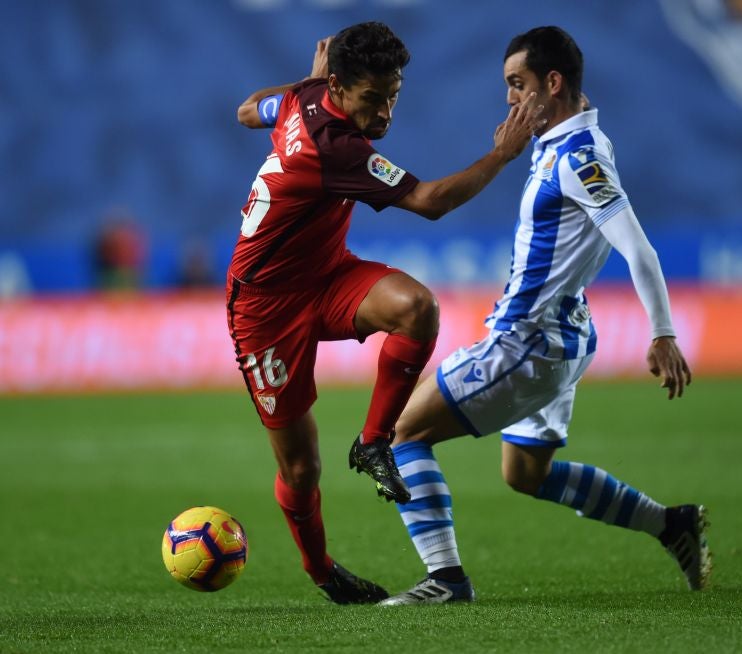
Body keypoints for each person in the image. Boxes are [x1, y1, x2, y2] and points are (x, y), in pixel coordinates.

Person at [380, 26, 710, 606]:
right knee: (525, 475)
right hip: (565, 334)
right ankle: (670, 524)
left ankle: (446, 580)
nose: (509, 97)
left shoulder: (579, 157)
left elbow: (638, 249)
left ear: (552, 83)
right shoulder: (571, 140)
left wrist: (662, 332)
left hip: (527, 341)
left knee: (399, 433)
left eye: (517, 83)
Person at [227, 22, 543, 604]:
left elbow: (248, 110)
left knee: (416, 308)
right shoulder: (335, 147)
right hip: (265, 308)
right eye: (372, 99)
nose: (385, 113)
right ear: (340, 88)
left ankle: (374, 442)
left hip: (327, 275)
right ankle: (322, 570)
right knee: (301, 469)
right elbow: (429, 202)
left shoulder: (305, 96)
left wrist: (305, 84)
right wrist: (503, 153)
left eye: (392, 95)